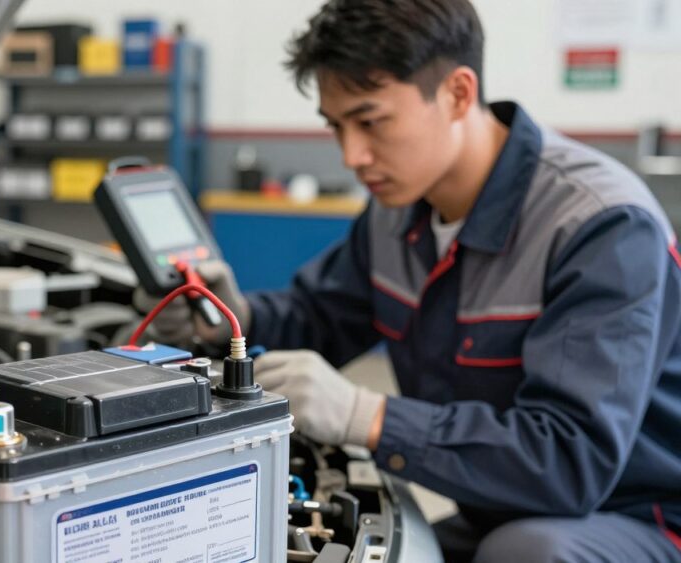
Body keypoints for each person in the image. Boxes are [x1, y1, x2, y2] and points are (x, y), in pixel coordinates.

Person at [135, 1, 681, 561]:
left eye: (371, 121)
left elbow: (569, 461)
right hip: (503, 510)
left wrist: (365, 416)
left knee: (528, 553)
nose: (353, 155)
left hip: (637, 516)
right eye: (336, 126)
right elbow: (323, 317)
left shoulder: (601, 226)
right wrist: (235, 319)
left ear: (458, 94)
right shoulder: (396, 210)